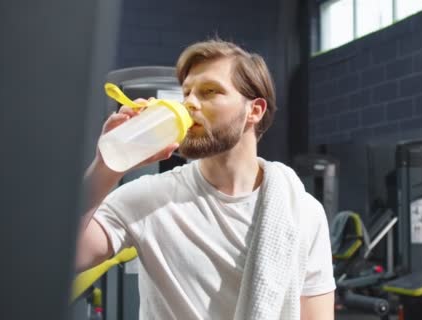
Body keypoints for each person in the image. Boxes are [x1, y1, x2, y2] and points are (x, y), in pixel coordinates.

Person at [76, 39, 336, 320]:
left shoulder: (302, 212)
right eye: (186, 93)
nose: (190, 103)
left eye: (209, 92)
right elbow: (62, 255)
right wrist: (107, 166)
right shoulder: (149, 197)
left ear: (255, 110)